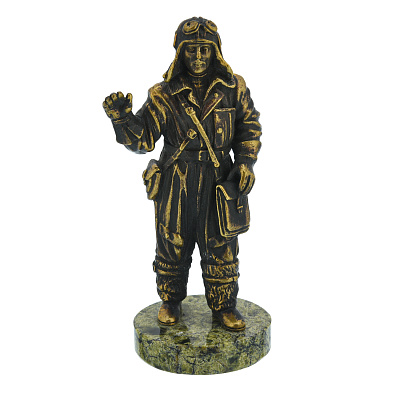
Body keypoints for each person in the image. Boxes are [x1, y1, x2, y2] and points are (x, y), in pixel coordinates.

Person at [103, 17, 261, 331]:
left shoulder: (233, 87)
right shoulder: (163, 93)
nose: (198, 57)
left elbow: (249, 127)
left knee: (220, 242)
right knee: (172, 239)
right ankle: (170, 299)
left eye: (205, 49)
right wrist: (122, 119)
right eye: (191, 50)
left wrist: (245, 162)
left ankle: (224, 305)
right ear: (180, 52)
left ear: (216, 51)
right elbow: (144, 138)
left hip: (219, 177)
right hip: (177, 178)